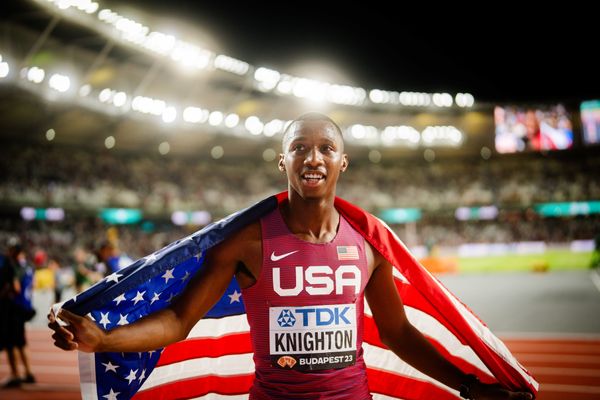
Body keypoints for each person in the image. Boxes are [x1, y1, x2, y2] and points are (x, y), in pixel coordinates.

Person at [49, 113, 533, 399]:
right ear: (283, 161)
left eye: (326, 148)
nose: (313, 158)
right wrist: (103, 340)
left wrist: (472, 386)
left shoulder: (369, 244)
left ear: (343, 161)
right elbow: (178, 321)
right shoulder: (245, 243)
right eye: (299, 148)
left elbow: (398, 332)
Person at [0, 241, 35, 387]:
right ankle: (28, 372)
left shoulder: (12, 265)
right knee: (21, 342)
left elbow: (16, 287)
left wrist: (2, 294)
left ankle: (15, 375)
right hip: (25, 307)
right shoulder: (28, 266)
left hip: (14, 308)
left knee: (10, 342)